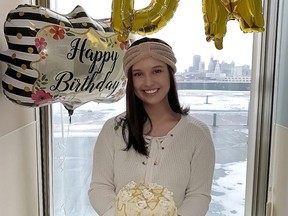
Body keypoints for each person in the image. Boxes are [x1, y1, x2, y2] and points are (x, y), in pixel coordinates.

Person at [88, 37, 215, 216]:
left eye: (157, 71)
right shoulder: (112, 130)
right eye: (138, 74)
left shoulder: (197, 134)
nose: (148, 82)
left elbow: (198, 195)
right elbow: (100, 187)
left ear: (170, 73)